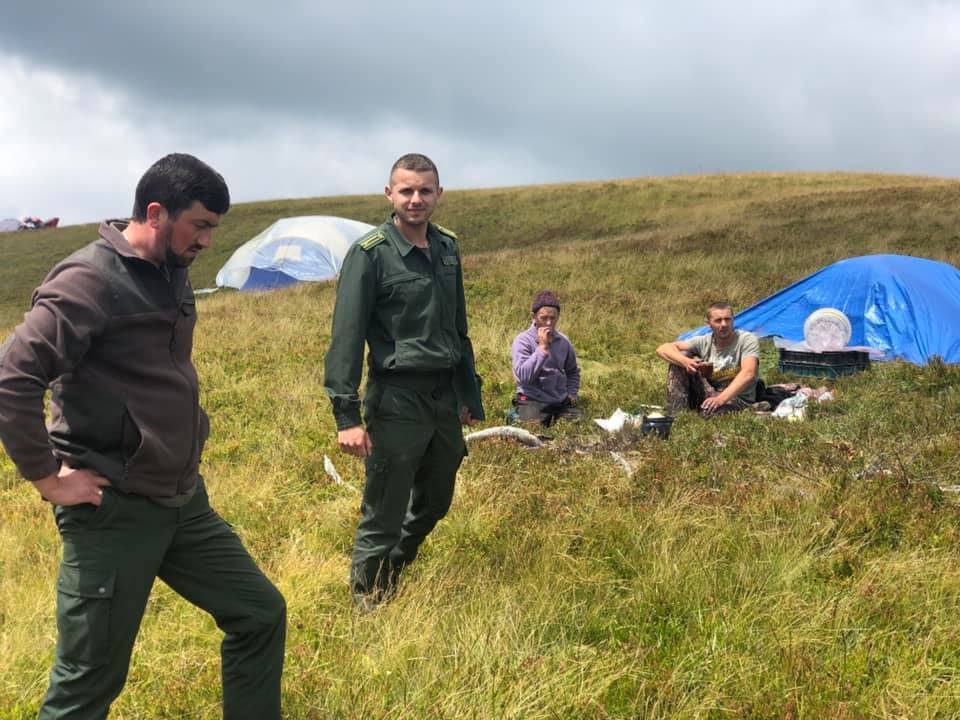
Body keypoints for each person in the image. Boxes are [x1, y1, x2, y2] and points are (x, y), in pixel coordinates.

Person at [0, 154, 286, 719]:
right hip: (114, 511)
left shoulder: (170, 269)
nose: (207, 240)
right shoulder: (89, 279)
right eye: (199, 225)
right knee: (89, 682)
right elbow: (13, 375)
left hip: (182, 502)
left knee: (259, 612)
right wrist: (47, 477)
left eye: (213, 228)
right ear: (156, 212)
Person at [324, 153, 484, 609]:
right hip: (396, 399)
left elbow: (458, 326)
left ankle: (392, 568)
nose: (416, 199)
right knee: (384, 511)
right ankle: (368, 603)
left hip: (443, 398)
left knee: (435, 501)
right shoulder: (370, 253)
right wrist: (346, 416)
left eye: (425, 190)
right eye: (407, 190)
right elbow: (346, 339)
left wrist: (466, 394)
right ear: (389, 194)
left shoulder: (448, 247)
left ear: (439, 194)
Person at [656, 302, 759, 416]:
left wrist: (719, 400)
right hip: (709, 392)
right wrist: (686, 362)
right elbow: (663, 348)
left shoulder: (746, 340)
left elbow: (749, 373)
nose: (724, 324)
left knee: (708, 414)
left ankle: (703, 410)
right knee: (681, 357)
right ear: (708, 324)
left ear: (733, 320)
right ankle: (676, 414)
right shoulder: (703, 341)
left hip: (736, 397)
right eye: (718, 320)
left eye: (727, 319)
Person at [511, 290, 582, 426]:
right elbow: (523, 376)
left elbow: (572, 371)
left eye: (553, 318)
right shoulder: (523, 341)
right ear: (534, 317)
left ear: (558, 317)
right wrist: (542, 349)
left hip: (559, 402)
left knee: (577, 425)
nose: (549, 323)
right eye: (544, 318)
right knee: (529, 430)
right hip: (531, 400)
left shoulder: (564, 341)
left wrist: (572, 393)